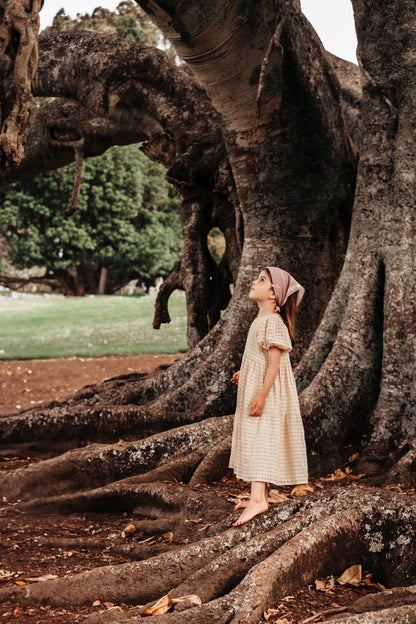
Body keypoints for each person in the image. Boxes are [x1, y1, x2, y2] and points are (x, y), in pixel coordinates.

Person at [229, 267, 308, 526]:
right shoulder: (261, 320)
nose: (254, 282)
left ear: (274, 295)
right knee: (254, 440)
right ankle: (259, 495)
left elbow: (274, 364)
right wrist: (245, 371)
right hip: (256, 387)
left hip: (268, 394)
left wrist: (262, 395)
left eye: (262, 280)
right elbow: (262, 357)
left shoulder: (273, 322)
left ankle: (258, 500)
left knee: (259, 441)